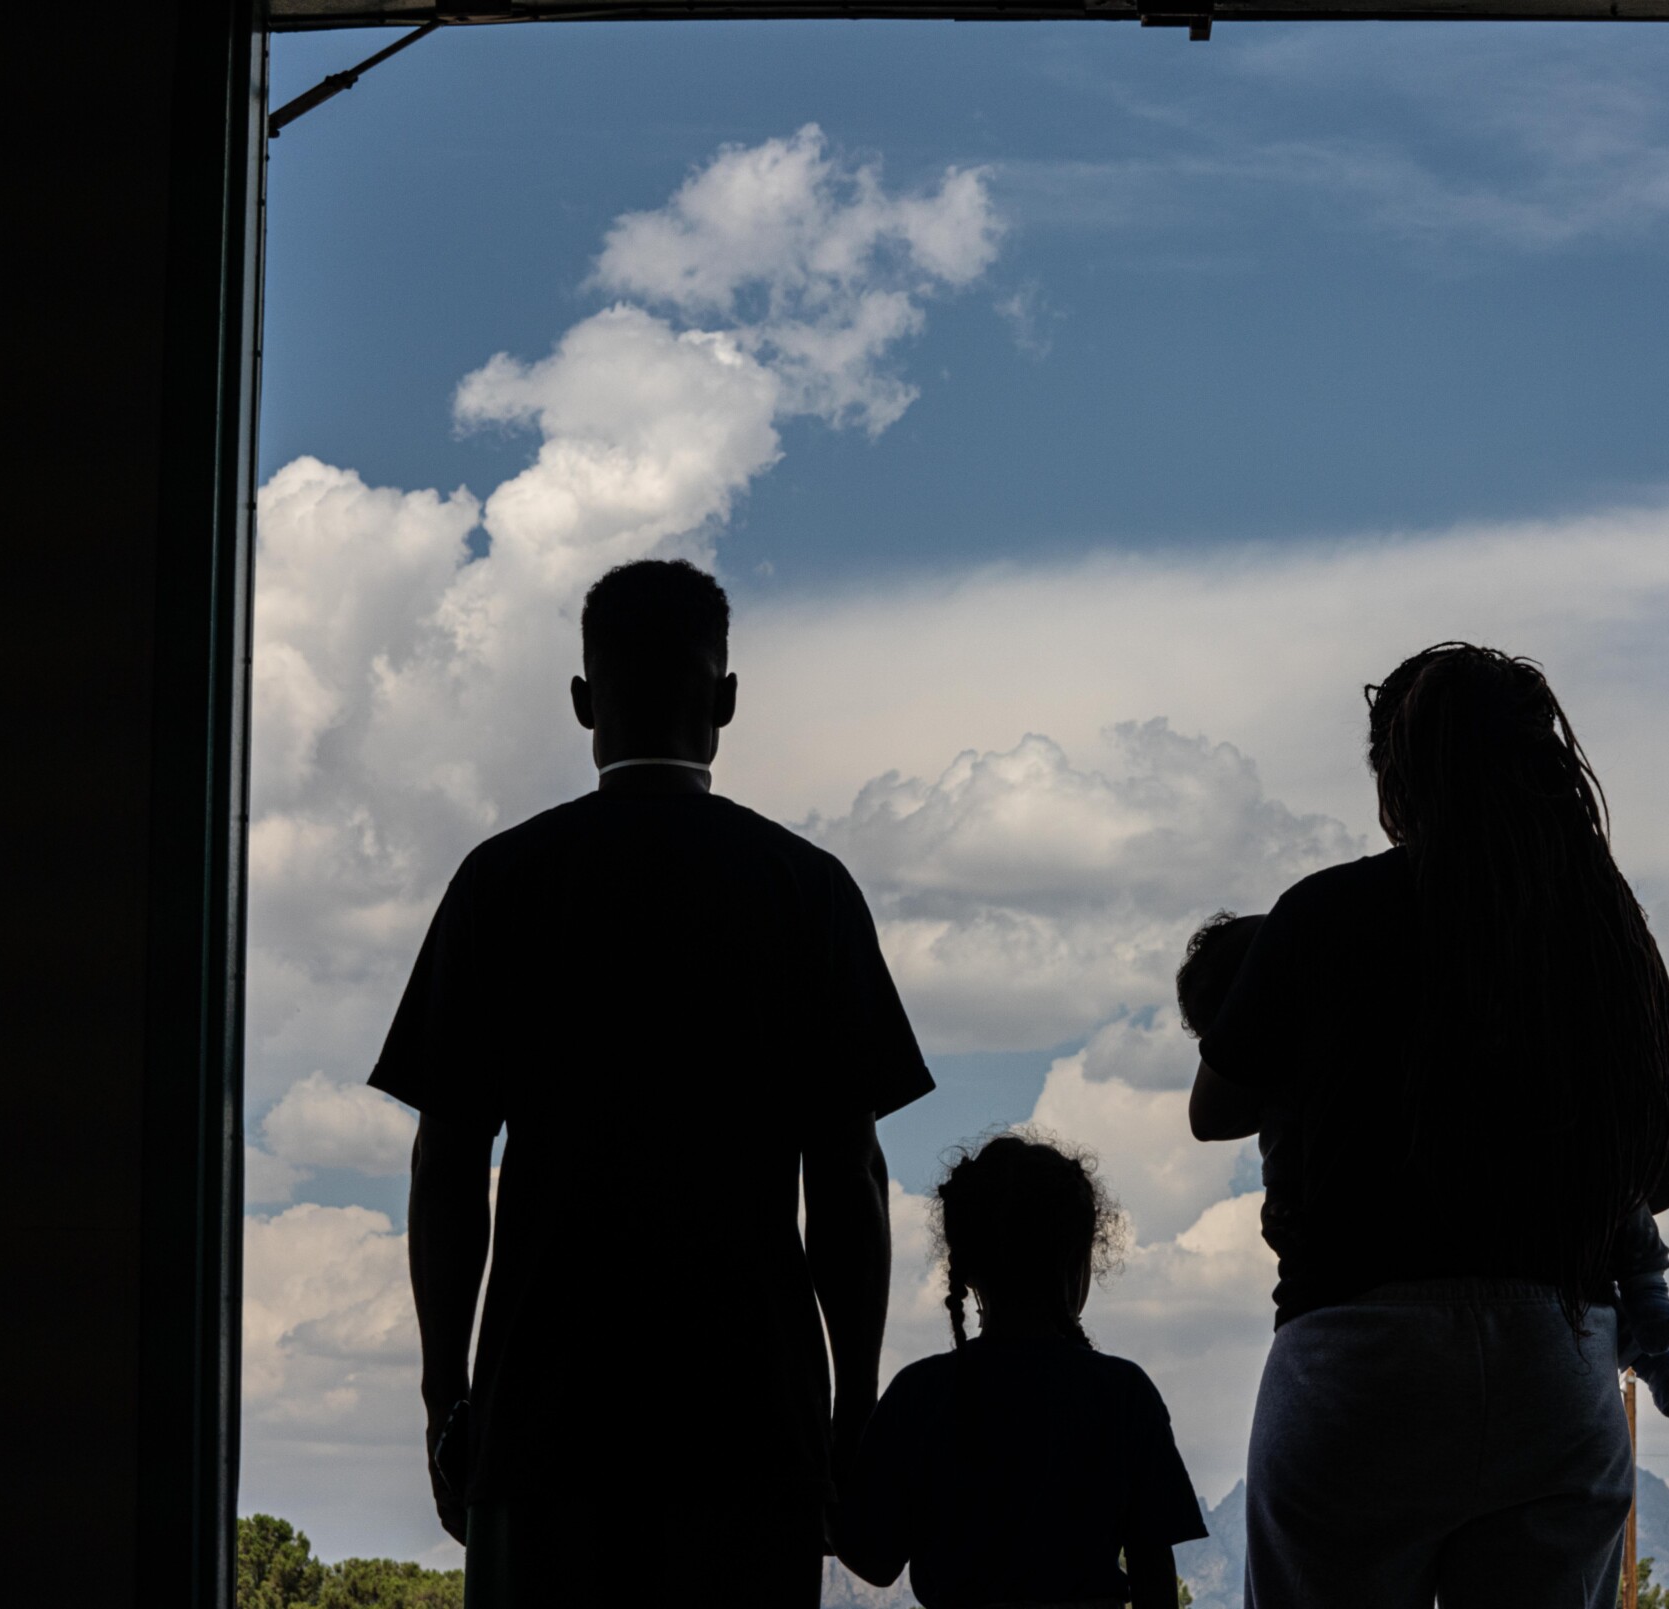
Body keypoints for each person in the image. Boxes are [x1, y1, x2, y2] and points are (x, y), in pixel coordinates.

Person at [371, 559, 933, 1607]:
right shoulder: (805, 890)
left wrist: (449, 1391)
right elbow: (847, 1173)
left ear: (584, 702)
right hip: (749, 1411)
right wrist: (850, 1399)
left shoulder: (502, 882)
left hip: (544, 1411)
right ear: (724, 700)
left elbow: (447, 1160)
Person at [1185, 642, 1669, 1609]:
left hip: (1353, 1366)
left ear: (1396, 783)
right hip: (1556, 1361)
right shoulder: (1604, 929)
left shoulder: (1321, 913)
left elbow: (1213, 1108)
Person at [1176, 911, 1669, 1422]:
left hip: (1350, 1347)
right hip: (1561, 1343)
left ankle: (1649, 1339)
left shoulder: (1323, 959)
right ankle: (1648, 1327)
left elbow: (1209, 1116)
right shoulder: (1584, 933)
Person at [837, 1132, 1209, 1609]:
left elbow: (874, 1560)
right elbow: (1156, 1582)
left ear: (965, 1270)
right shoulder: (1123, 1394)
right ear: (1078, 1261)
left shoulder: (920, 1393)